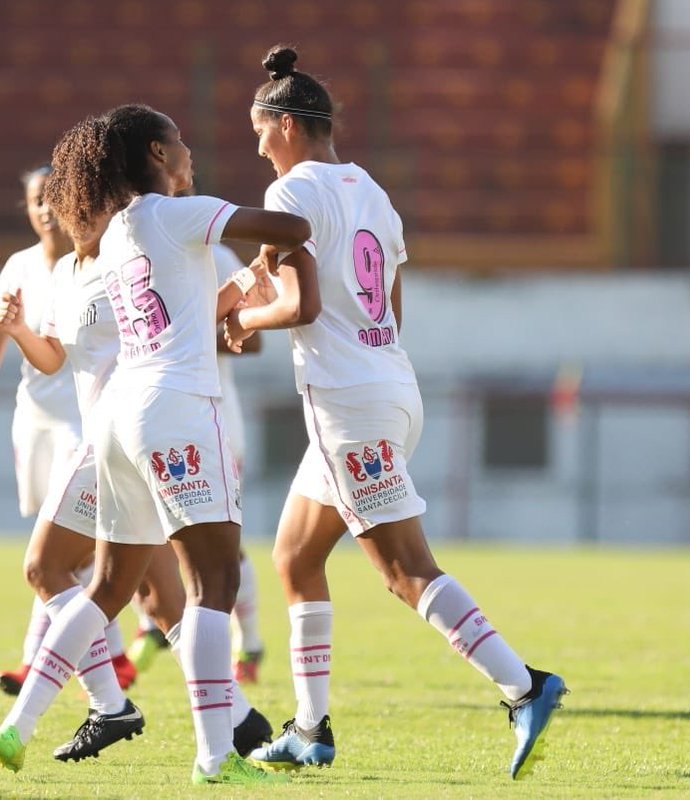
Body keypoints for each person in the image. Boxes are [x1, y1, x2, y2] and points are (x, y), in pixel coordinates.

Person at [224, 46, 568, 780]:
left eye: (260, 132)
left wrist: (243, 321)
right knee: (294, 557)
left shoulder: (289, 192)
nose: (258, 147)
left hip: (348, 407)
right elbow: (388, 305)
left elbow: (300, 305)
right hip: (390, 388)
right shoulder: (371, 191)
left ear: (286, 125)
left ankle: (525, 687)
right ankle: (309, 729)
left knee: (405, 570)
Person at [0, 104, 309, 786]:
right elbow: (293, 227)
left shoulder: (118, 235)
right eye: (180, 141)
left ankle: (21, 724)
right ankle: (216, 757)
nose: (190, 151)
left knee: (108, 586)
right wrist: (294, 225)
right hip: (179, 408)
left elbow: (182, 310)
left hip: (118, 416)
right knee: (212, 585)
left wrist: (241, 285)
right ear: (157, 155)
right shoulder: (179, 215)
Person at [0, 166, 135, 694]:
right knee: (63, 550)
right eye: (36, 200)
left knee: (60, 552)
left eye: (52, 199)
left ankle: (39, 661)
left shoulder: (102, 264)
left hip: (85, 421)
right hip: (34, 417)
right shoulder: (20, 266)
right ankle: (113, 654)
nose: (44, 210)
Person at [125, 212, 267, 684]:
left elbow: (254, 342)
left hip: (215, 419)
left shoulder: (218, 257)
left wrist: (185, 339)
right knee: (147, 530)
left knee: (218, 543)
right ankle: (152, 626)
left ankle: (248, 643)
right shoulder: (136, 247)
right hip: (158, 418)